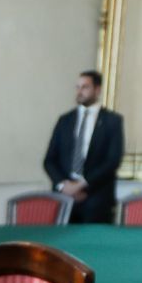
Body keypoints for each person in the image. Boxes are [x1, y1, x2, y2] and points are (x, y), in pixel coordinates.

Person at [41, 70, 124, 225]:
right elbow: (49, 160)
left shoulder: (112, 121)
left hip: (96, 199)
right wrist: (64, 185)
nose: (79, 91)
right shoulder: (65, 120)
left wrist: (82, 185)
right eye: (77, 87)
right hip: (64, 199)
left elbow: (113, 160)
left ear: (97, 90)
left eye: (85, 87)